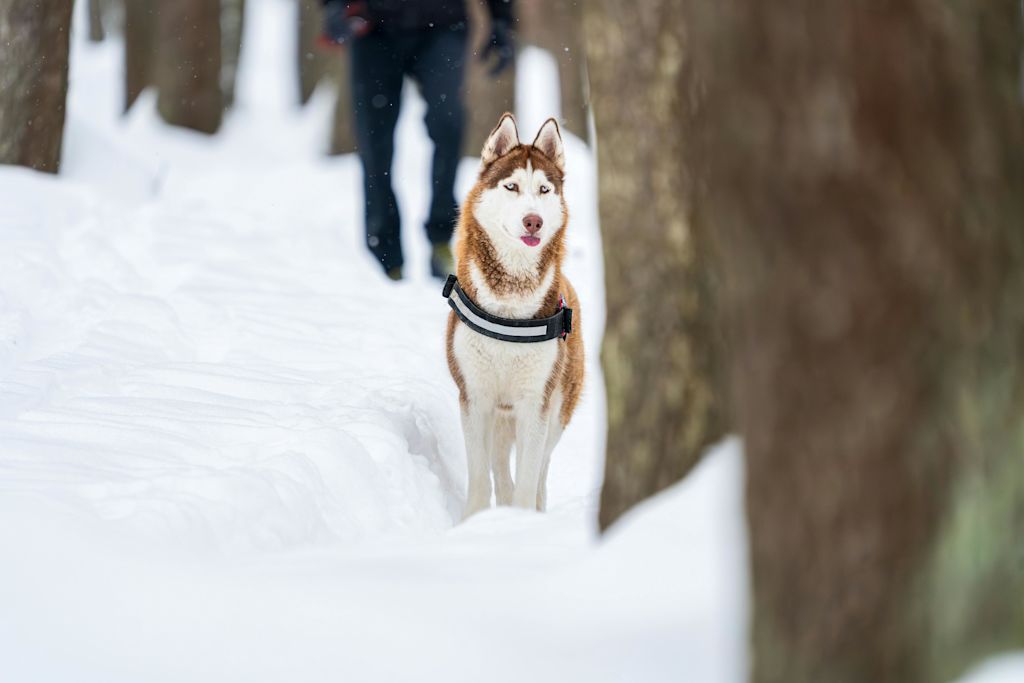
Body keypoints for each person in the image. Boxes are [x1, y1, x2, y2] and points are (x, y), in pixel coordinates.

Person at [321, 0, 516, 280]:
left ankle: (441, 237)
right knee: (374, 141)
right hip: (373, 26)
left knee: (448, 124)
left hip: (443, 25)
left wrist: (501, 20)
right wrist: (333, 6)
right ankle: (385, 256)